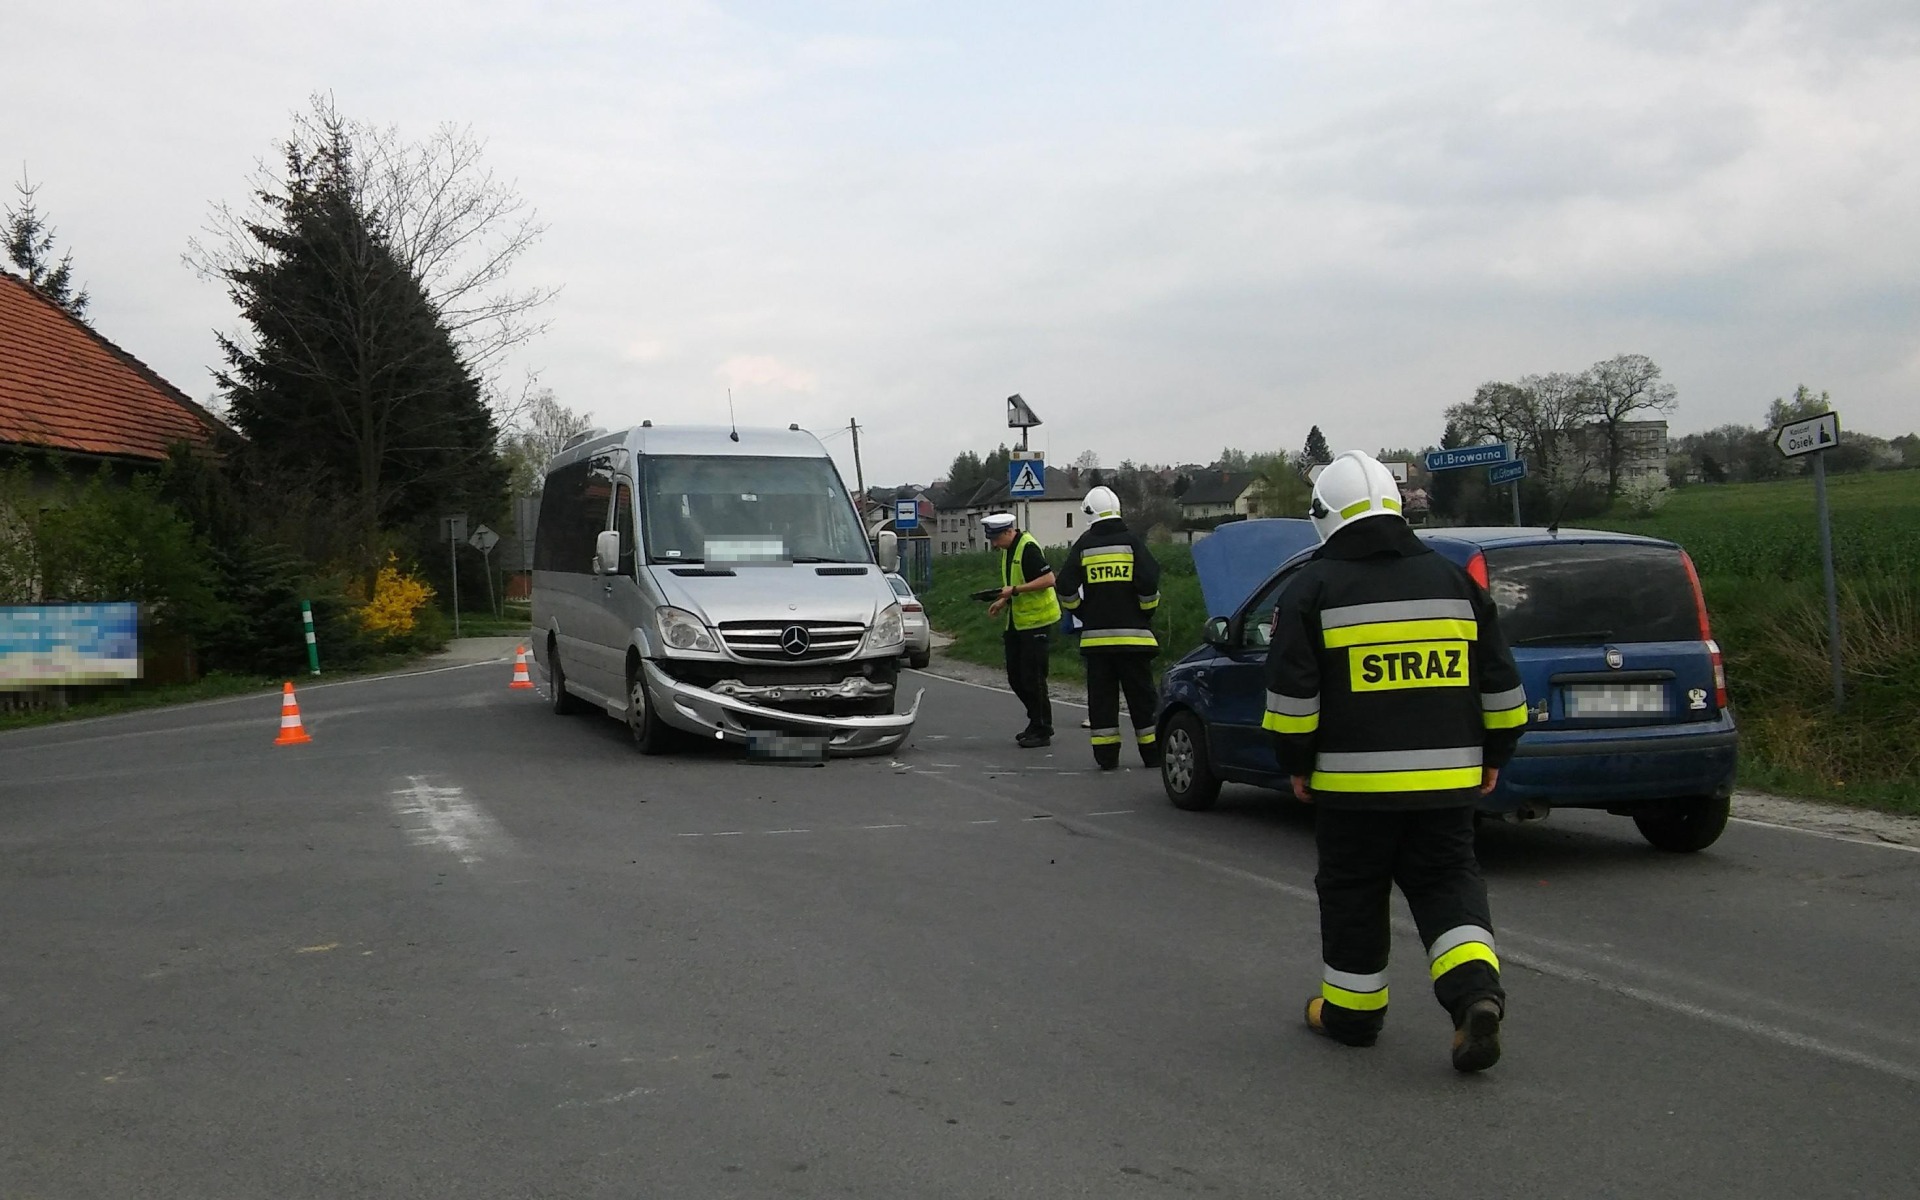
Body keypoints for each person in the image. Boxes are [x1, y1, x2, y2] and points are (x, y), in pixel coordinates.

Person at [1264, 451, 1528, 1073]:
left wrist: (1295, 762)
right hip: (1449, 784)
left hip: (1352, 789)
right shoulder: (1453, 580)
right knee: (1446, 885)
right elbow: (1501, 685)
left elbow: (1293, 697)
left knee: (1354, 892)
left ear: (1323, 516)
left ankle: (1351, 1016)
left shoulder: (1313, 588)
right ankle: (1475, 998)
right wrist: (1497, 752)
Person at [1053, 486, 1163, 769]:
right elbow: (1149, 581)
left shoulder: (1084, 545)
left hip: (1096, 642)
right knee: (1143, 699)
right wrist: (1146, 610)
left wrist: (1081, 610)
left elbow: (1064, 585)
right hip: (1135, 640)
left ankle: (1106, 757)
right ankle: (1152, 755)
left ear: (1089, 513)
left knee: (1102, 701)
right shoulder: (1132, 542)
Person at [984, 512, 1060, 748]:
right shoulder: (1009, 550)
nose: (995, 545)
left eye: (997, 539)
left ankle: (1042, 728)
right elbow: (1012, 584)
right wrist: (1003, 600)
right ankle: (1035, 721)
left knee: (1033, 678)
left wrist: (1015, 590)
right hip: (1018, 623)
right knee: (1016, 677)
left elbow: (1049, 579)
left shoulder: (1028, 548)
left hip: (1037, 622)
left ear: (1009, 531)